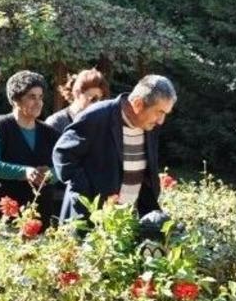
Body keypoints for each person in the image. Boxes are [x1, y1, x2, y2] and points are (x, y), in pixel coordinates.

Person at [53, 75, 177, 222]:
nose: (161, 121)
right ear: (138, 103)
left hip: (128, 220)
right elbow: (63, 154)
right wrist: (85, 192)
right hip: (91, 219)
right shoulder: (97, 116)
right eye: (159, 112)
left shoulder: (150, 125)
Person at [0, 71, 60, 226]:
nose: (38, 102)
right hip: (0, 213)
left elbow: (62, 168)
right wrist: (25, 172)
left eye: (40, 97)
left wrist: (49, 176)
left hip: (38, 214)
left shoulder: (50, 134)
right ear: (16, 100)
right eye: (32, 97)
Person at [45, 68, 110, 134]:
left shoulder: (101, 125)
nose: (98, 105)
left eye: (101, 100)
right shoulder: (56, 123)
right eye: (93, 99)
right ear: (77, 93)